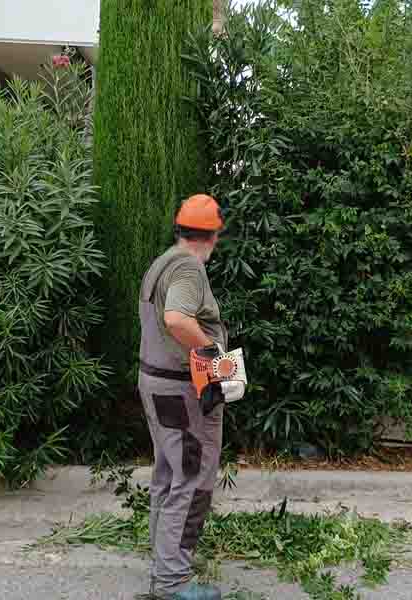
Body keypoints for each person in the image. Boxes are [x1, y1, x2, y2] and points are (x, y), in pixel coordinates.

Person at [137, 194, 228, 600]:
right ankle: (172, 582)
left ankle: (163, 567)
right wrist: (212, 355)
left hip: (156, 385)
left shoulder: (162, 262)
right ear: (211, 236)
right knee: (189, 478)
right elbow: (176, 318)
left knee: (167, 475)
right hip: (178, 389)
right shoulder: (189, 269)